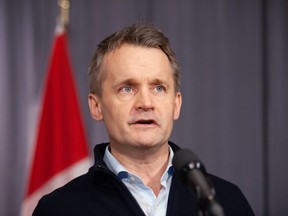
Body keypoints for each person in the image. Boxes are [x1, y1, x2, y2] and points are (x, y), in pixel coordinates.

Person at [33, 23, 254, 216]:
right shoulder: (58, 209)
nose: (146, 103)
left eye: (159, 88)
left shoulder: (226, 202)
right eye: (127, 88)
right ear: (96, 106)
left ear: (176, 104)